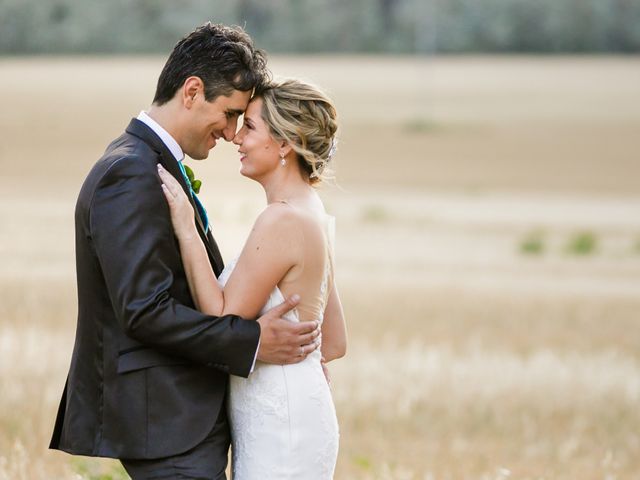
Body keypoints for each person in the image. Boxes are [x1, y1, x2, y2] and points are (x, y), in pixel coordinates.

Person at [49, 23, 322, 480]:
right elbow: (143, 310)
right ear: (192, 90)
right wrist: (252, 342)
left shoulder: (149, 163)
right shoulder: (130, 172)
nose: (233, 132)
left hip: (181, 419)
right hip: (167, 424)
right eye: (231, 113)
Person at [158, 78, 347, 479]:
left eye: (250, 127)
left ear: (284, 143)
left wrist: (187, 229)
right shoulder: (311, 210)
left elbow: (221, 314)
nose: (236, 138)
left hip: (281, 431)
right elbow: (333, 341)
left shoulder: (281, 219)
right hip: (294, 413)